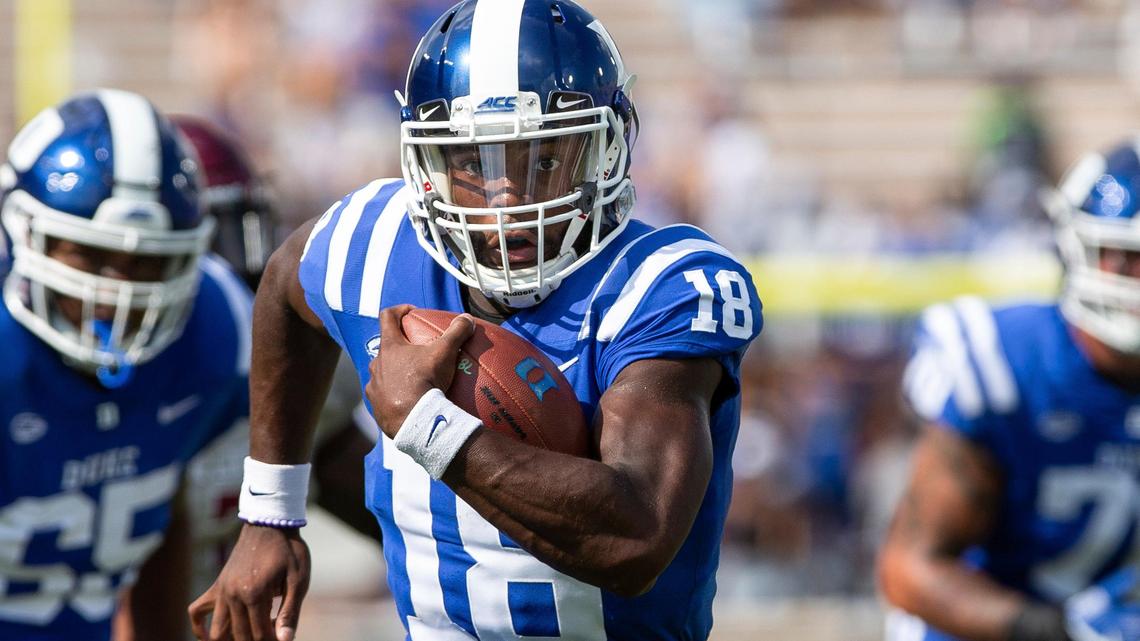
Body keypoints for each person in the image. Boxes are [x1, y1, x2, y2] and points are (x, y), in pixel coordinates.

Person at [189, 1, 764, 640]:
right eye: (474, 164)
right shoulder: (376, 244)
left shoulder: (657, 286)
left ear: (604, 150)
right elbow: (282, 287)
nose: (507, 198)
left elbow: (635, 538)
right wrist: (270, 511)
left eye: (544, 159)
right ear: (427, 168)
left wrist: (429, 427)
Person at [0, 90, 251, 641]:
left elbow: (167, 518)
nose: (112, 295)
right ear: (20, 234)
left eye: (146, 263)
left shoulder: (215, 325)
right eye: (87, 255)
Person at [879, 137, 1140, 641]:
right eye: (1125, 257)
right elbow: (911, 570)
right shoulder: (1011, 365)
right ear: (1076, 248)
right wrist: (1052, 631)